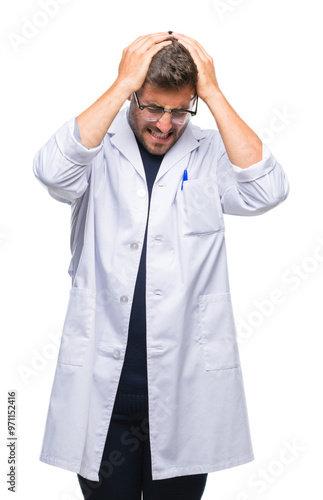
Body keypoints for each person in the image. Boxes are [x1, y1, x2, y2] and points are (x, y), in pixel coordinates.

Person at [33, 32, 289, 500]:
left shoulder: (209, 153)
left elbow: (266, 190)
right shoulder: (98, 148)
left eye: (179, 110)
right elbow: (52, 170)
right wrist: (121, 82)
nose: (165, 124)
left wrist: (212, 92)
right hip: (103, 399)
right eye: (151, 107)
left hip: (185, 396)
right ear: (133, 94)